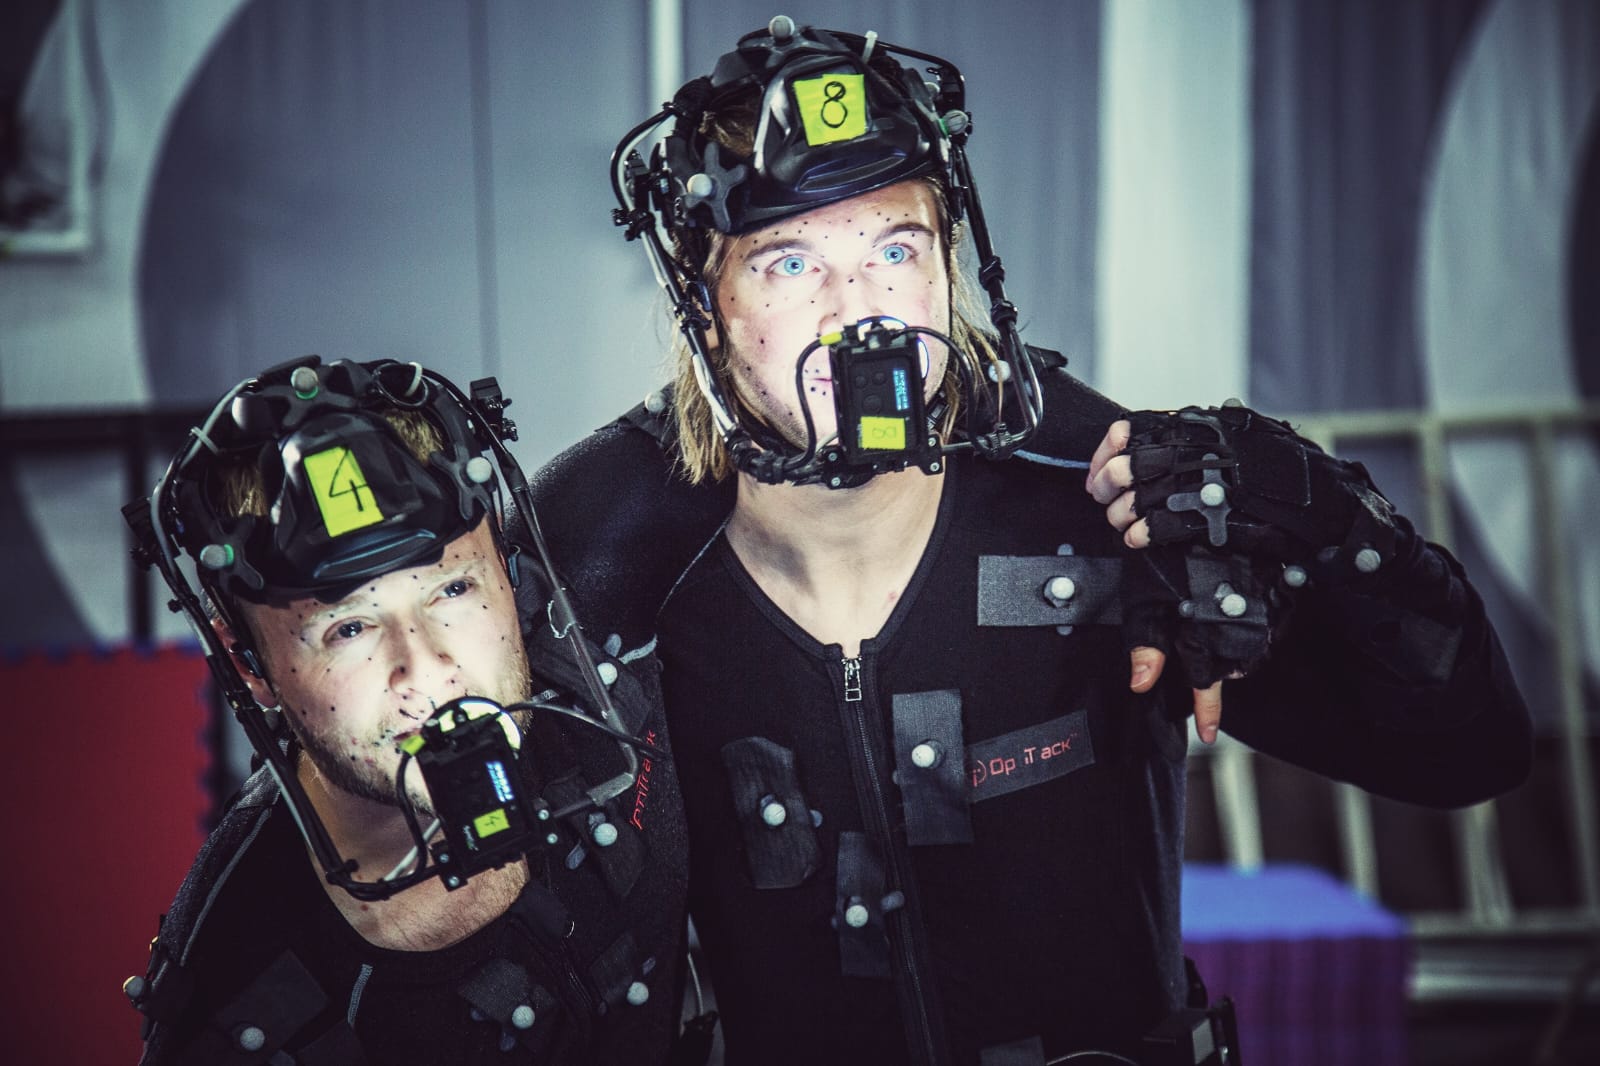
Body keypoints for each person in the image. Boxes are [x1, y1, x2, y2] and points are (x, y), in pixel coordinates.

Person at [528, 16, 1533, 1065]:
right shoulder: (618, 577)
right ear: (706, 305)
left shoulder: (1100, 513)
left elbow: (1470, 753)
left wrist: (1335, 521)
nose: (856, 310)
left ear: (948, 264)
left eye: (895, 249)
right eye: (788, 262)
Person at [121, 357, 688, 1065]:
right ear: (249, 666)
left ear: (507, 567)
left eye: (451, 590)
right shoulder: (240, 1000)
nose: (427, 668)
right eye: (350, 628)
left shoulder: (592, 614)